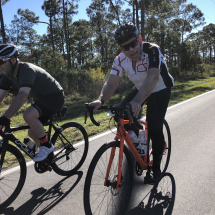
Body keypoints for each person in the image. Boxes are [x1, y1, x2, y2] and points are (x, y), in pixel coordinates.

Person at [89, 22, 174, 183]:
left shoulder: (152, 50)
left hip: (160, 88)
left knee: (154, 127)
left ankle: (155, 168)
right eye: (125, 47)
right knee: (120, 114)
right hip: (140, 87)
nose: (131, 50)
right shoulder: (120, 60)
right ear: (121, 49)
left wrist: (137, 101)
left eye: (133, 44)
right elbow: (112, 83)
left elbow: (153, 77)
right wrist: (100, 100)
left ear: (139, 39)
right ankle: (138, 143)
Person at [0, 43, 65, 162]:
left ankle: (47, 146)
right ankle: (49, 157)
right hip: (41, 99)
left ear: (13, 60)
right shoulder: (7, 76)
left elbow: (23, 95)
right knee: (32, 132)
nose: (0, 66)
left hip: (55, 96)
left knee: (28, 115)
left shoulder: (26, 70)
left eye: (1, 61)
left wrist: (5, 117)